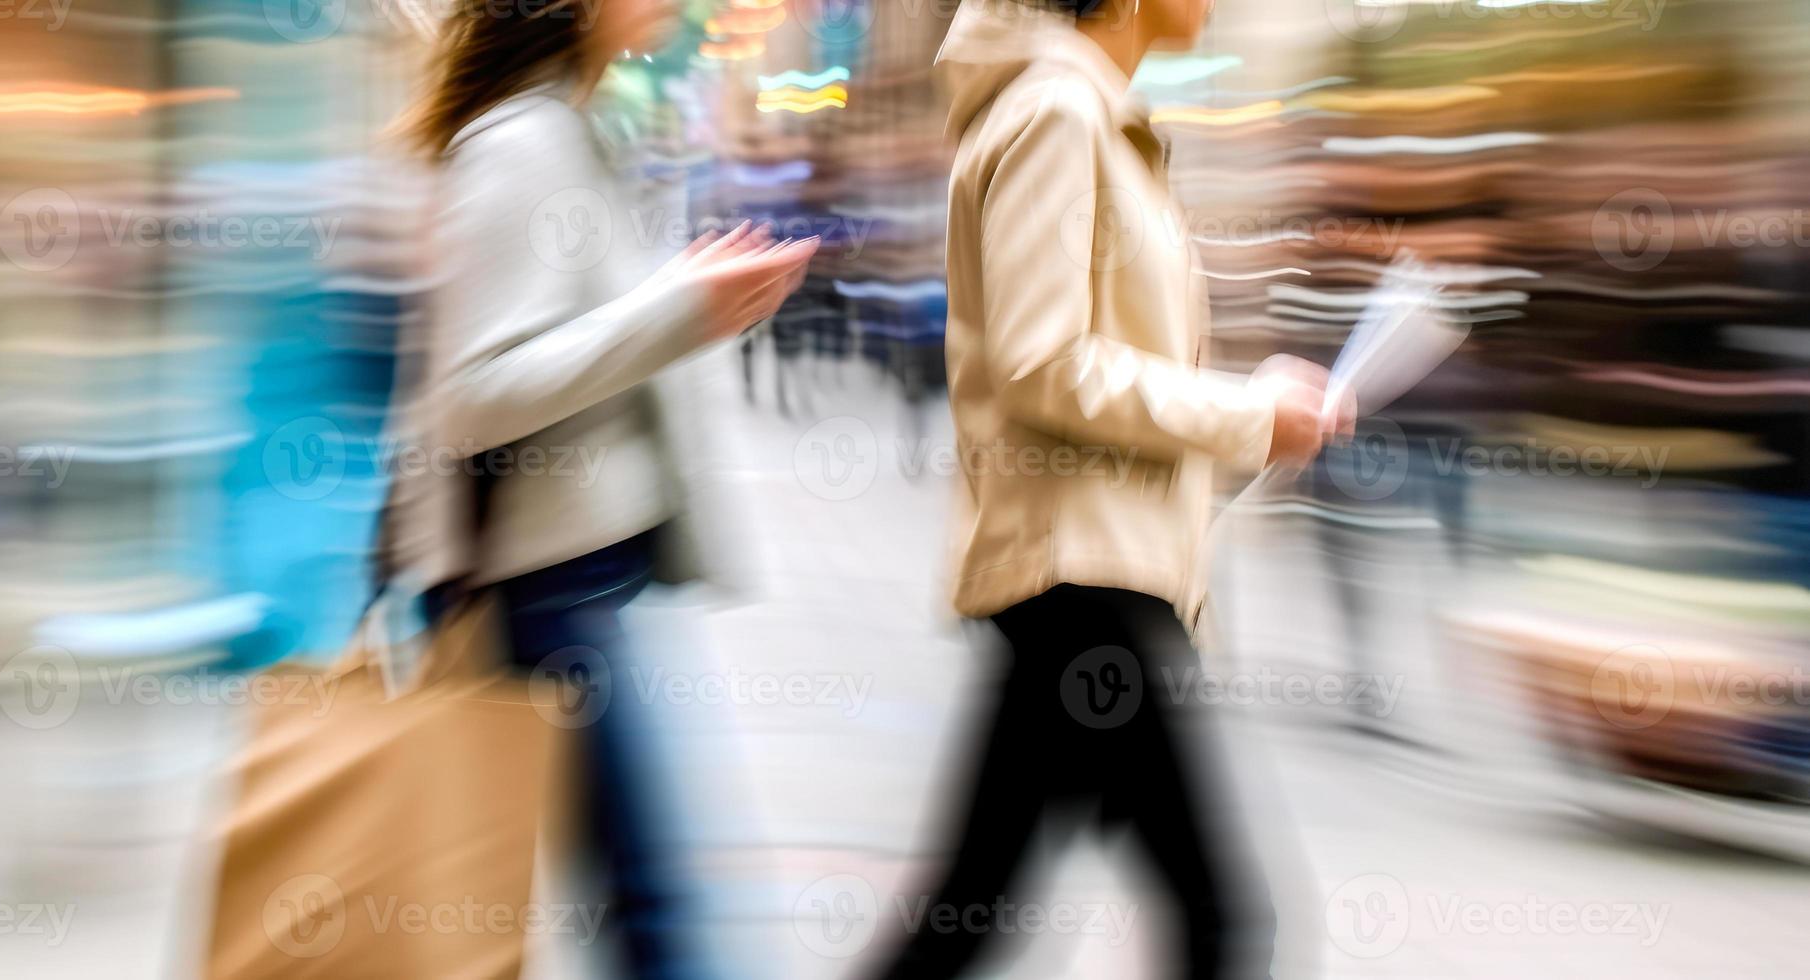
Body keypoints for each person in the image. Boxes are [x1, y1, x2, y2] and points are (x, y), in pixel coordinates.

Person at [867, 0, 1350, 977]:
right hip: (1081, 581)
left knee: (967, 913)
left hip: (1084, 577)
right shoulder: (1057, 112)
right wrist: (1248, 416)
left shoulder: (1084, 112)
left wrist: (1251, 421)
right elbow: (1041, 364)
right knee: (1218, 919)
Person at [382, 1, 817, 977]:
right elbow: (475, 397)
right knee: (654, 902)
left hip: (580, 578)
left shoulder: (570, 126)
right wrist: (675, 313)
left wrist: (682, 300)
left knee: (645, 894)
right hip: (549, 591)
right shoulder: (522, 141)